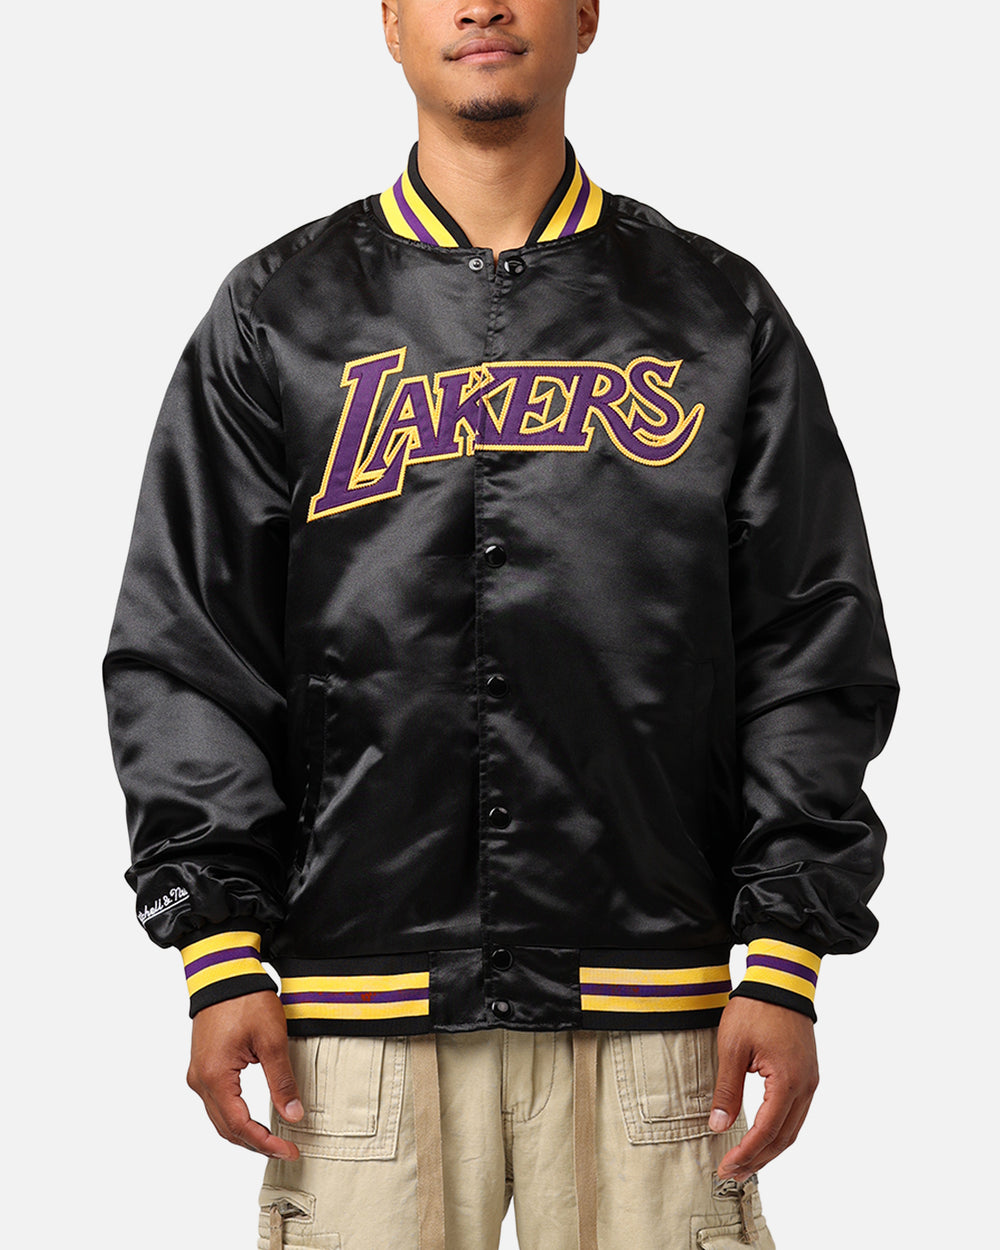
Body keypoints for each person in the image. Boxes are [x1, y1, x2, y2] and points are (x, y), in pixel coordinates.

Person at [101, 2, 900, 1247]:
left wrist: (787, 952)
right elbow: (191, 640)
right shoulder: (279, 311)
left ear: (585, 15)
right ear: (389, 21)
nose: (481, 4)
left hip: (661, 1007)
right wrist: (217, 945)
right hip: (354, 1013)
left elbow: (808, 636)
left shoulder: (712, 310)